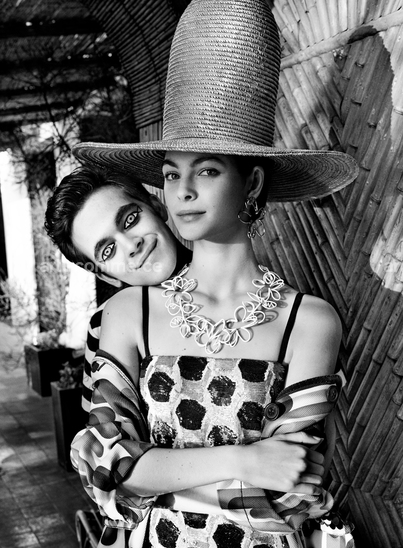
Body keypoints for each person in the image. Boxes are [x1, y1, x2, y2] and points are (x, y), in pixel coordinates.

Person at [70, 1, 359, 547]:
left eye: (206, 169)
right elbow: (109, 468)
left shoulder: (309, 321)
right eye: (170, 173)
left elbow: (291, 490)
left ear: (252, 184)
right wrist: (243, 460)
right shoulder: (129, 313)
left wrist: (157, 473)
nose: (181, 192)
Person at [45, 166, 192, 410]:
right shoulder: (103, 325)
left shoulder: (254, 287)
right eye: (108, 250)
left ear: (157, 207)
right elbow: (100, 425)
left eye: (130, 220)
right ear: (104, 275)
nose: (131, 246)